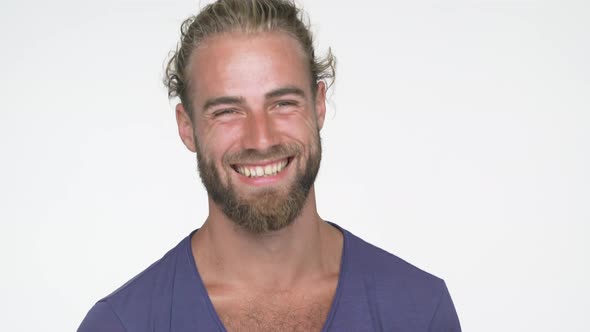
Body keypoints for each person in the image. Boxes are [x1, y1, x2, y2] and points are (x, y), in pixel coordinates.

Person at [78, 0, 461, 331]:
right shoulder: (123, 325)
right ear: (186, 127)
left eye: (283, 103)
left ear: (319, 105)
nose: (261, 139)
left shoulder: (419, 311)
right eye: (227, 111)